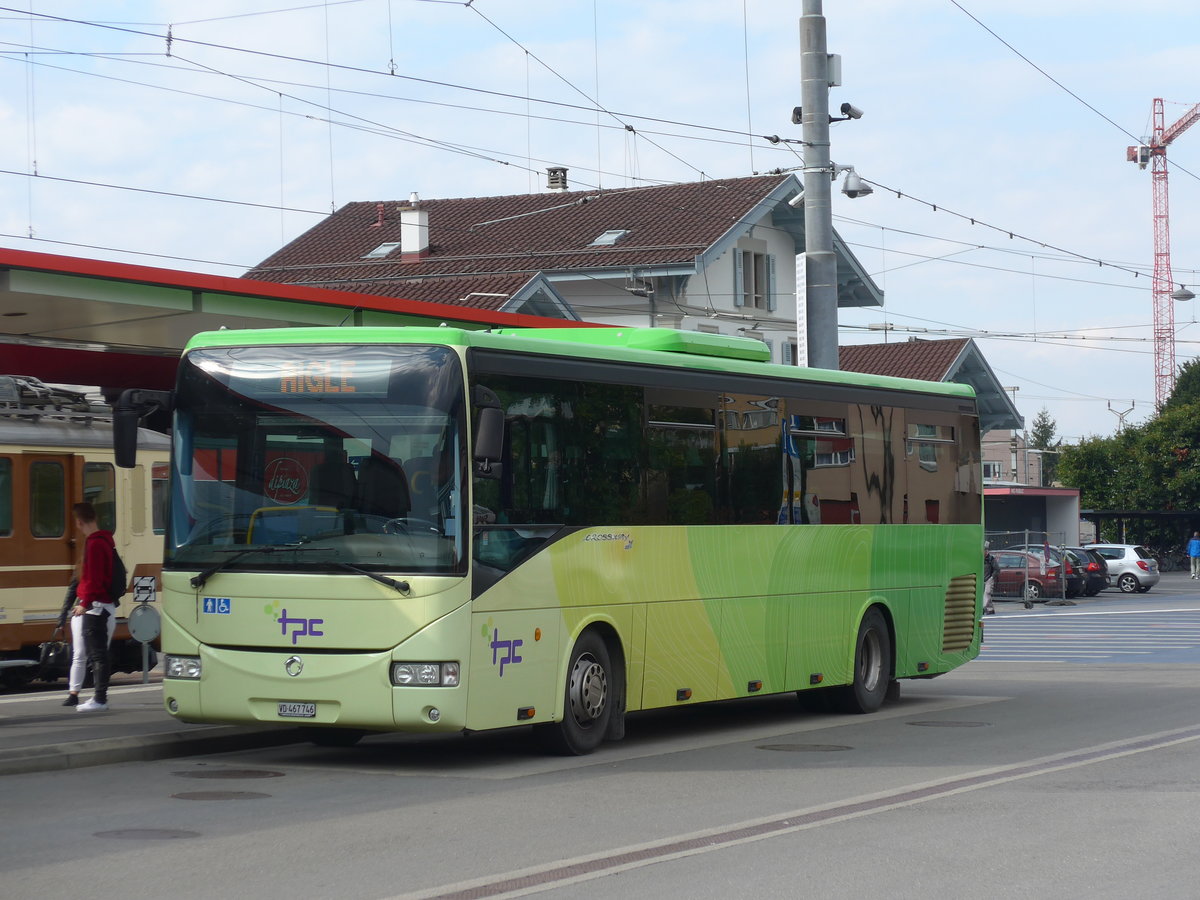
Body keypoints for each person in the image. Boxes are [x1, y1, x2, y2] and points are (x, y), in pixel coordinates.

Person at [69, 502, 117, 712]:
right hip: (103, 604)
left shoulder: (94, 544)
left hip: (95, 607)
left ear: (79, 522)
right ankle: (99, 698)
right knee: (99, 654)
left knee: (97, 655)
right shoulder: (106, 541)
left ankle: (99, 699)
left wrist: (84, 603)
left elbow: (94, 579)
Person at [983, 544, 997, 615]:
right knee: (985, 594)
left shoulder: (991, 559)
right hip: (981, 579)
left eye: (985, 550)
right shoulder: (980, 559)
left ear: (987, 551)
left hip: (989, 578)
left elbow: (997, 569)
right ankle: (990, 609)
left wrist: (992, 577)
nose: (984, 552)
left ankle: (984, 607)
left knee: (986, 593)